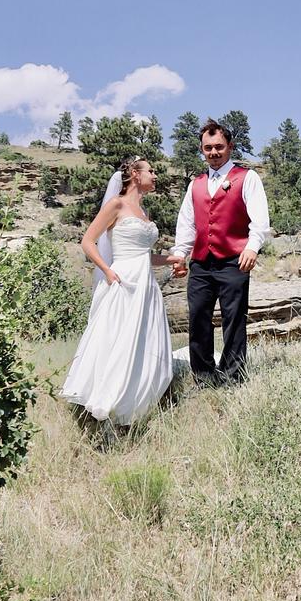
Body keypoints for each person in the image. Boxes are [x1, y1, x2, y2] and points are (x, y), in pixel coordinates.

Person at [60, 157, 175, 424]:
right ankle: (104, 401)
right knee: (117, 341)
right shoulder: (116, 204)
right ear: (135, 174)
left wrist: (173, 259)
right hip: (123, 281)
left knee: (144, 343)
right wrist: (107, 271)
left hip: (146, 285)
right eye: (151, 171)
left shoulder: (144, 213)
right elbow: (88, 241)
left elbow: (144, 256)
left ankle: (133, 406)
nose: (155, 175)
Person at [166, 118, 270, 384]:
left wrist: (252, 247)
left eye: (219, 147)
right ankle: (204, 377)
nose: (213, 152)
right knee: (198, 319)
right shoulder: (196, 184)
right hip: (201, 263)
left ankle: (233, 377)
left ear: (230, 147)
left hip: (234, 261)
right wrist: (180, 255)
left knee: (233, 320)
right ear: (202, 149)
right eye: (208, 148)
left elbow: (260, 220)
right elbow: (187, 224)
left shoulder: (247, 178)